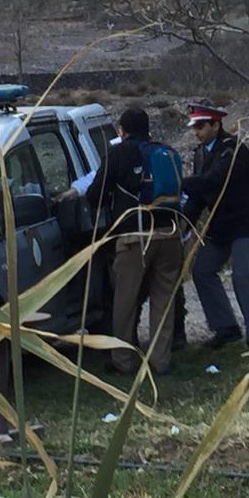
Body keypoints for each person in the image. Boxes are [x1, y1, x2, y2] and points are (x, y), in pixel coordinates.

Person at [55, 106, 180, 374]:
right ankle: (161, 361)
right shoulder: (164, 152)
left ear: (121, 131)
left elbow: (96, 194)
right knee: (163, 300)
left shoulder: (118, 153)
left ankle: (123, 360)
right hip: (170, 233)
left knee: (125, 301)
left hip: (134, 237)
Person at [182, 102, 249, 349]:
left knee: (242, 274)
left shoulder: (233, 149)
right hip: (220, 226)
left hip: (244, 223)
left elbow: (213, 179)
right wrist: (185, 225)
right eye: (194, 127)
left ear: (215, 125)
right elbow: (199, 195)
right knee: (202, 270)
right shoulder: (200, 153)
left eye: (200, 127)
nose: (196, 132)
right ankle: (225, 327)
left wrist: (178, 183)